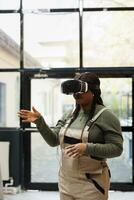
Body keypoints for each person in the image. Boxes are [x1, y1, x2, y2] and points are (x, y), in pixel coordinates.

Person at [18, 72, 123, 200]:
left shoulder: (106, 116)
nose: (76, 94)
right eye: (73, 91)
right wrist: (40, 122)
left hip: (92, 184)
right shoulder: (69, 115)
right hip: (66, 182)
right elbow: (53, 140)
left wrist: (86, 148)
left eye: (80, 90)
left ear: (94, 91)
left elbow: (117, 148)